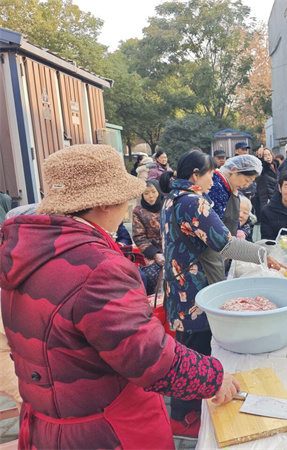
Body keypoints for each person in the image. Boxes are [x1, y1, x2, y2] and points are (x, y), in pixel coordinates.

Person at [0, 144, 239, 448]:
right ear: (103, 204)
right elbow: (147, 356)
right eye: (123, 198)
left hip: (46, 424)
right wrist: (213, 377)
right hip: (104, 431)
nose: (127, 205)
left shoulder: (22, 252)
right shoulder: (96, 268)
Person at [160, 151, 282, 435]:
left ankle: (184, 413)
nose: (212, 177)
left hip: (178, 284)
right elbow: (225, 244)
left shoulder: (172, 198)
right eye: (208, 173)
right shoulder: (193, 202)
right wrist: (264, 255)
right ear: (195, 175)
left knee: (185, 349)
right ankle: (185, 418)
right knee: (195, 351)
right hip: (193, 289)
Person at [132, 180, 165, 295]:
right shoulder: (138, 211)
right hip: (151, 251)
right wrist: (155, 254)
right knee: (150, 275)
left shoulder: (167, 205)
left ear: (159, 192)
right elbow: (139, 237)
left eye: (153, 192)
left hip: (170, 247)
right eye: (146, 193)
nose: (150, 196)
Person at [254, 147, 278, 220]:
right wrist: (260, 157)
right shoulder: (263, 167)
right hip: (265, 197)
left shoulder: (275, 166)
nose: (268, 157)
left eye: (269, 154)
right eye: (265, 155)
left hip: (274, 195)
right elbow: (263, 165)